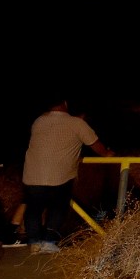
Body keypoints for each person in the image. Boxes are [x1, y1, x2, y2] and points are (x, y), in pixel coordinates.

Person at [21, 99, 112, 253]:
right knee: (58, 207)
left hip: (32, 175)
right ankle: (49, 242)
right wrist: (108, 154)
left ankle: (34, 242)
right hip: (59, 176)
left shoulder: (39, 121)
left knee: (34, 208)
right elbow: (97, 147)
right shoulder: (77, 124)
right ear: (65, 104)